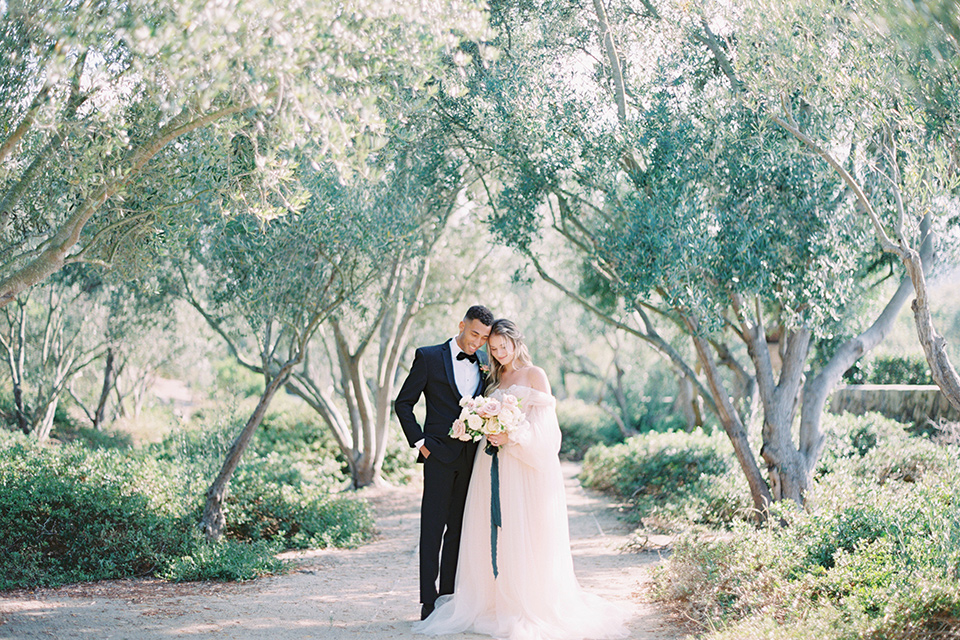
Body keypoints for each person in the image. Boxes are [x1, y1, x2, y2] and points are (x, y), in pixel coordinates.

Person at [414, 319, 629, 640]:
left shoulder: (535, 375)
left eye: (504, 347)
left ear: (517, 343)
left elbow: (547, 432)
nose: (499, 353)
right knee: (487, 532)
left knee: (519, 530)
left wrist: (512, 435)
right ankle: (489, 599)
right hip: (488, 466)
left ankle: (523, 600)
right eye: (494, 348)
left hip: (520, 467)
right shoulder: (492, 379)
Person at [395, 305, 495, 621]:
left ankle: (448, 598)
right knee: (433, 529)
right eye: (474, 333)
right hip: (437, 456)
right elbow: (403, 403)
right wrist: (422, 444)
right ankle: (428, 601)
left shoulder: (483, 363)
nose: (477, 342)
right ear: (461, 325)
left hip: (471, 459)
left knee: (457, 530)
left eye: (484, 338)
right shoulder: (428, 357)